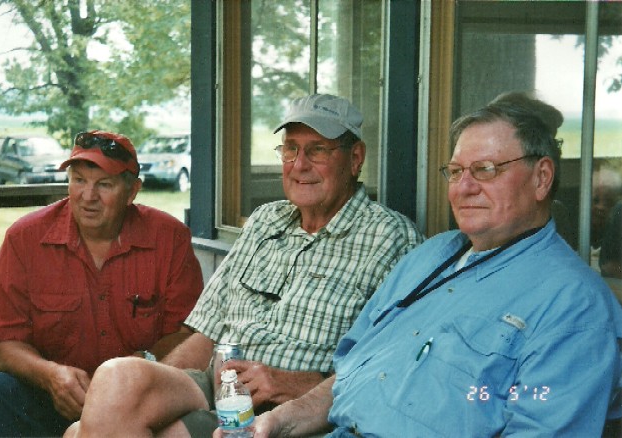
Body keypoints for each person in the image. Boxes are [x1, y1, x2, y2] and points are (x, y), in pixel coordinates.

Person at [244, 92, 622, 437]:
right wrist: (284, 418)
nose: (464, 187)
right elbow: (350, 373)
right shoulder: (431, 256)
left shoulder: (575, 306)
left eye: (486, 169)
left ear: (541, 178)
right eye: (456, 172)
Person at [64, 94, 424, 437]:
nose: (299, 165)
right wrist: (140, 400)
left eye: (317, 150)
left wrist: (291, 382)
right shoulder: (265, 221)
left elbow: (385, 365)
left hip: (283, 409)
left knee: (82, 432)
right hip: (214, 382)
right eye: (291, 149)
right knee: (115, 381)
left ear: (355, 158)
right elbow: (206, 332)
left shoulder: (391, 238)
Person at [0, 130, 204, 437]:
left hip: (137, 398)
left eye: (104, 184)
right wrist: (51, 375)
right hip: (55, 396)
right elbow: (5, 346)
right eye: (78, 180)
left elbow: (188, 335)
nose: (88, 196)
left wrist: (142, 366)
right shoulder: (25, 238)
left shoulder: (169, 238)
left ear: (132, 191)